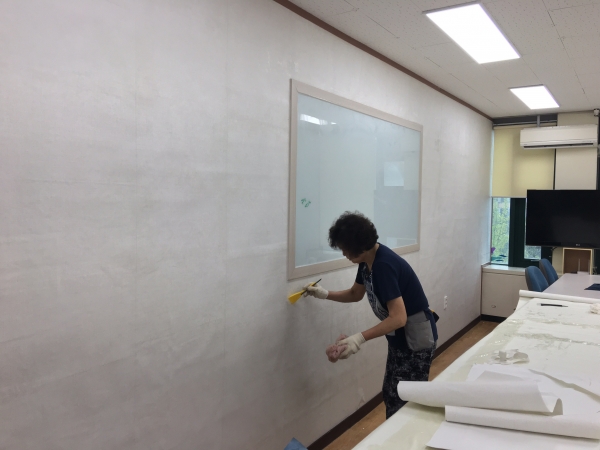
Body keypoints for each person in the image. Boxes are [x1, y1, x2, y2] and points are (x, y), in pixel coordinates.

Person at [304, 211, 438, 419]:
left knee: (405, 402)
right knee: (391, 393)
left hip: (415, 341)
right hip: (400, 338)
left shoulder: (383, 266)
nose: (344, 254)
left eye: (345, 249)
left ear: (360, 245)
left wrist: (359, 339)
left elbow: (398, 318)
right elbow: (355, 294)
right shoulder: (367, 261)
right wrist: (324, 294)